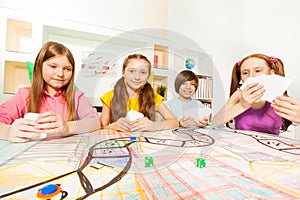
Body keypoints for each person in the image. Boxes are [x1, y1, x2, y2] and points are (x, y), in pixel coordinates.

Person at [0, 41, 100, 142]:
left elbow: (95, 122)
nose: (60, 74)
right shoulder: (25, 95)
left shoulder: (76, 97)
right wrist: (8, 131)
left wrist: (67, 127)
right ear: (39, 66)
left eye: (67, 69)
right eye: (53, 66)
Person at [212, 54, 291, 135]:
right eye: (245, 73)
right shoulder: (238, 95)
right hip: (242, 143)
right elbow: (216, 122)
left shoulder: (279, 97)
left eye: (257, 71)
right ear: (241, 78)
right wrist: (242, 105)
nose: (251, 76)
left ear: (271, 73)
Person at [100, 54, 179, 132]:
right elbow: (101, 127)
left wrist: (154, 125)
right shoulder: (110, 96)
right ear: (123, 73)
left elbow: (174, 122)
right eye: (131, 71)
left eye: (143, 72)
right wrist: (113, 126)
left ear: (148, 76)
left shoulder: (153, 97)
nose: (137, 77)